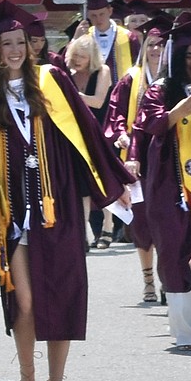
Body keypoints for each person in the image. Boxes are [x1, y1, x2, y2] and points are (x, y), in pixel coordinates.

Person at [0, 0, 131, 381]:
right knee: (24, 302)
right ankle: (27, 376)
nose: (15, 50)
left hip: (57, 208)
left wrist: (114, 184)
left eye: (21, 43)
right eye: (6, 43)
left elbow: (87, 132)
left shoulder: (52, 80)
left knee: (61, 298)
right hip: (12, 212)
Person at [129, 18, 191, 348]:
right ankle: (183, 331)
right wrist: (178, 110)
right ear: (177, 57)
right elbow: (149, 126)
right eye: (189, 56)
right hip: (169, 185)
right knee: (172, 252)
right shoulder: (160, 90)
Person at [102, 13, 170, 300]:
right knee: (141, 224)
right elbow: (115, 114)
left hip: (169, 160)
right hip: (137, 160)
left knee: (168, 222)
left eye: (162, 44)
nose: (155, 49)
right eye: (151, 44)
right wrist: (120, 133)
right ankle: (148, 281)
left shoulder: (173, 80)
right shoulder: (131, 78)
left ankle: (170, 279)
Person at [64, 33, 116, 248]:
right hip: (76, 132)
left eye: (82, 57)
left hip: (100, 131)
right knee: (82, 184)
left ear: (92, 57)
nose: (77, 61)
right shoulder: (68, 73)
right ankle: (83, 233)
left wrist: (70, 94)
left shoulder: (102, 71)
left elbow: (97, 101)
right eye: (75, 55)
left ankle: (108, 225)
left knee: (102, 181)